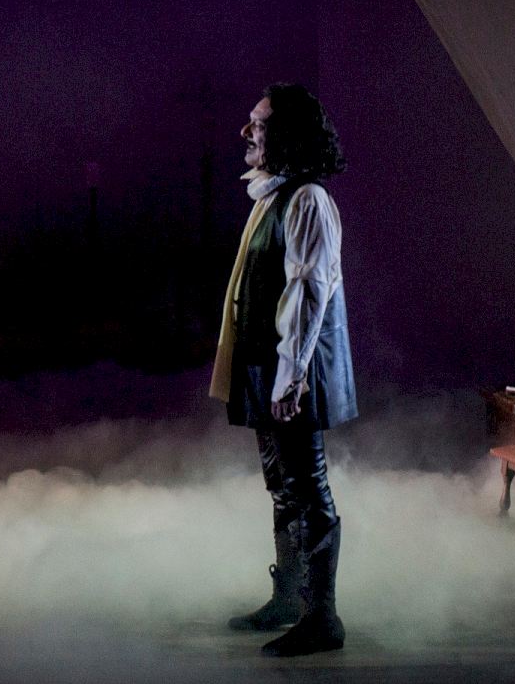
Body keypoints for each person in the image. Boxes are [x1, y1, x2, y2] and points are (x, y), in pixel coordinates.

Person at [210, 82, 358, 657]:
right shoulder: (273, 196)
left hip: (294, 372)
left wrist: (290, 375)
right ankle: (290, 600)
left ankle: (322, 618)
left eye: (259, 123)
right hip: (269, 368)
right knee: (283, 484)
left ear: (288, 135)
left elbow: (308, 291)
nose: (246, 132)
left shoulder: (307, 200)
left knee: (307, 485)